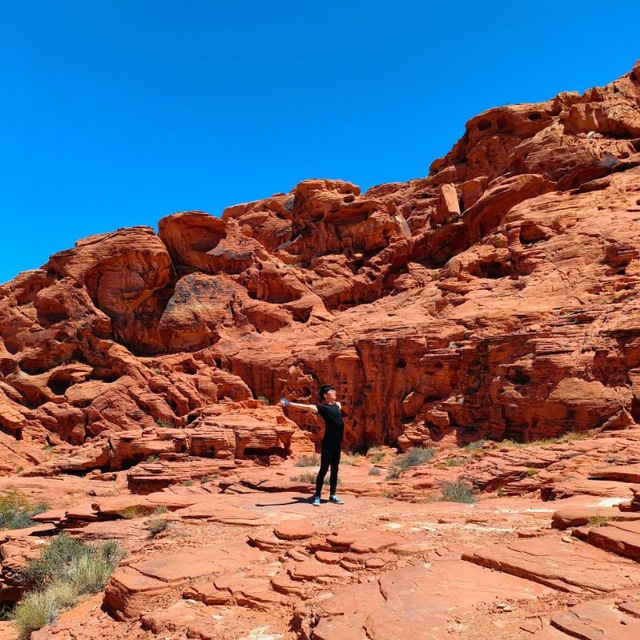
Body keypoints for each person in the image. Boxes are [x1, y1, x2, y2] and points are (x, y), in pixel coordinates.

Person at [280, 384, 344, 506]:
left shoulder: (337, 406)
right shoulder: (323, 408)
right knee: (324, 469)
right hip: (328, 443)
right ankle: (318, 496)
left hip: (337, 443)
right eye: (332, 391)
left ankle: (333, 495)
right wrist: (289, 404)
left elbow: (338, 406)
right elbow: (308, 407)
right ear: (325, 395)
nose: (335, 392)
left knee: (335, 469)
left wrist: (338, 405)